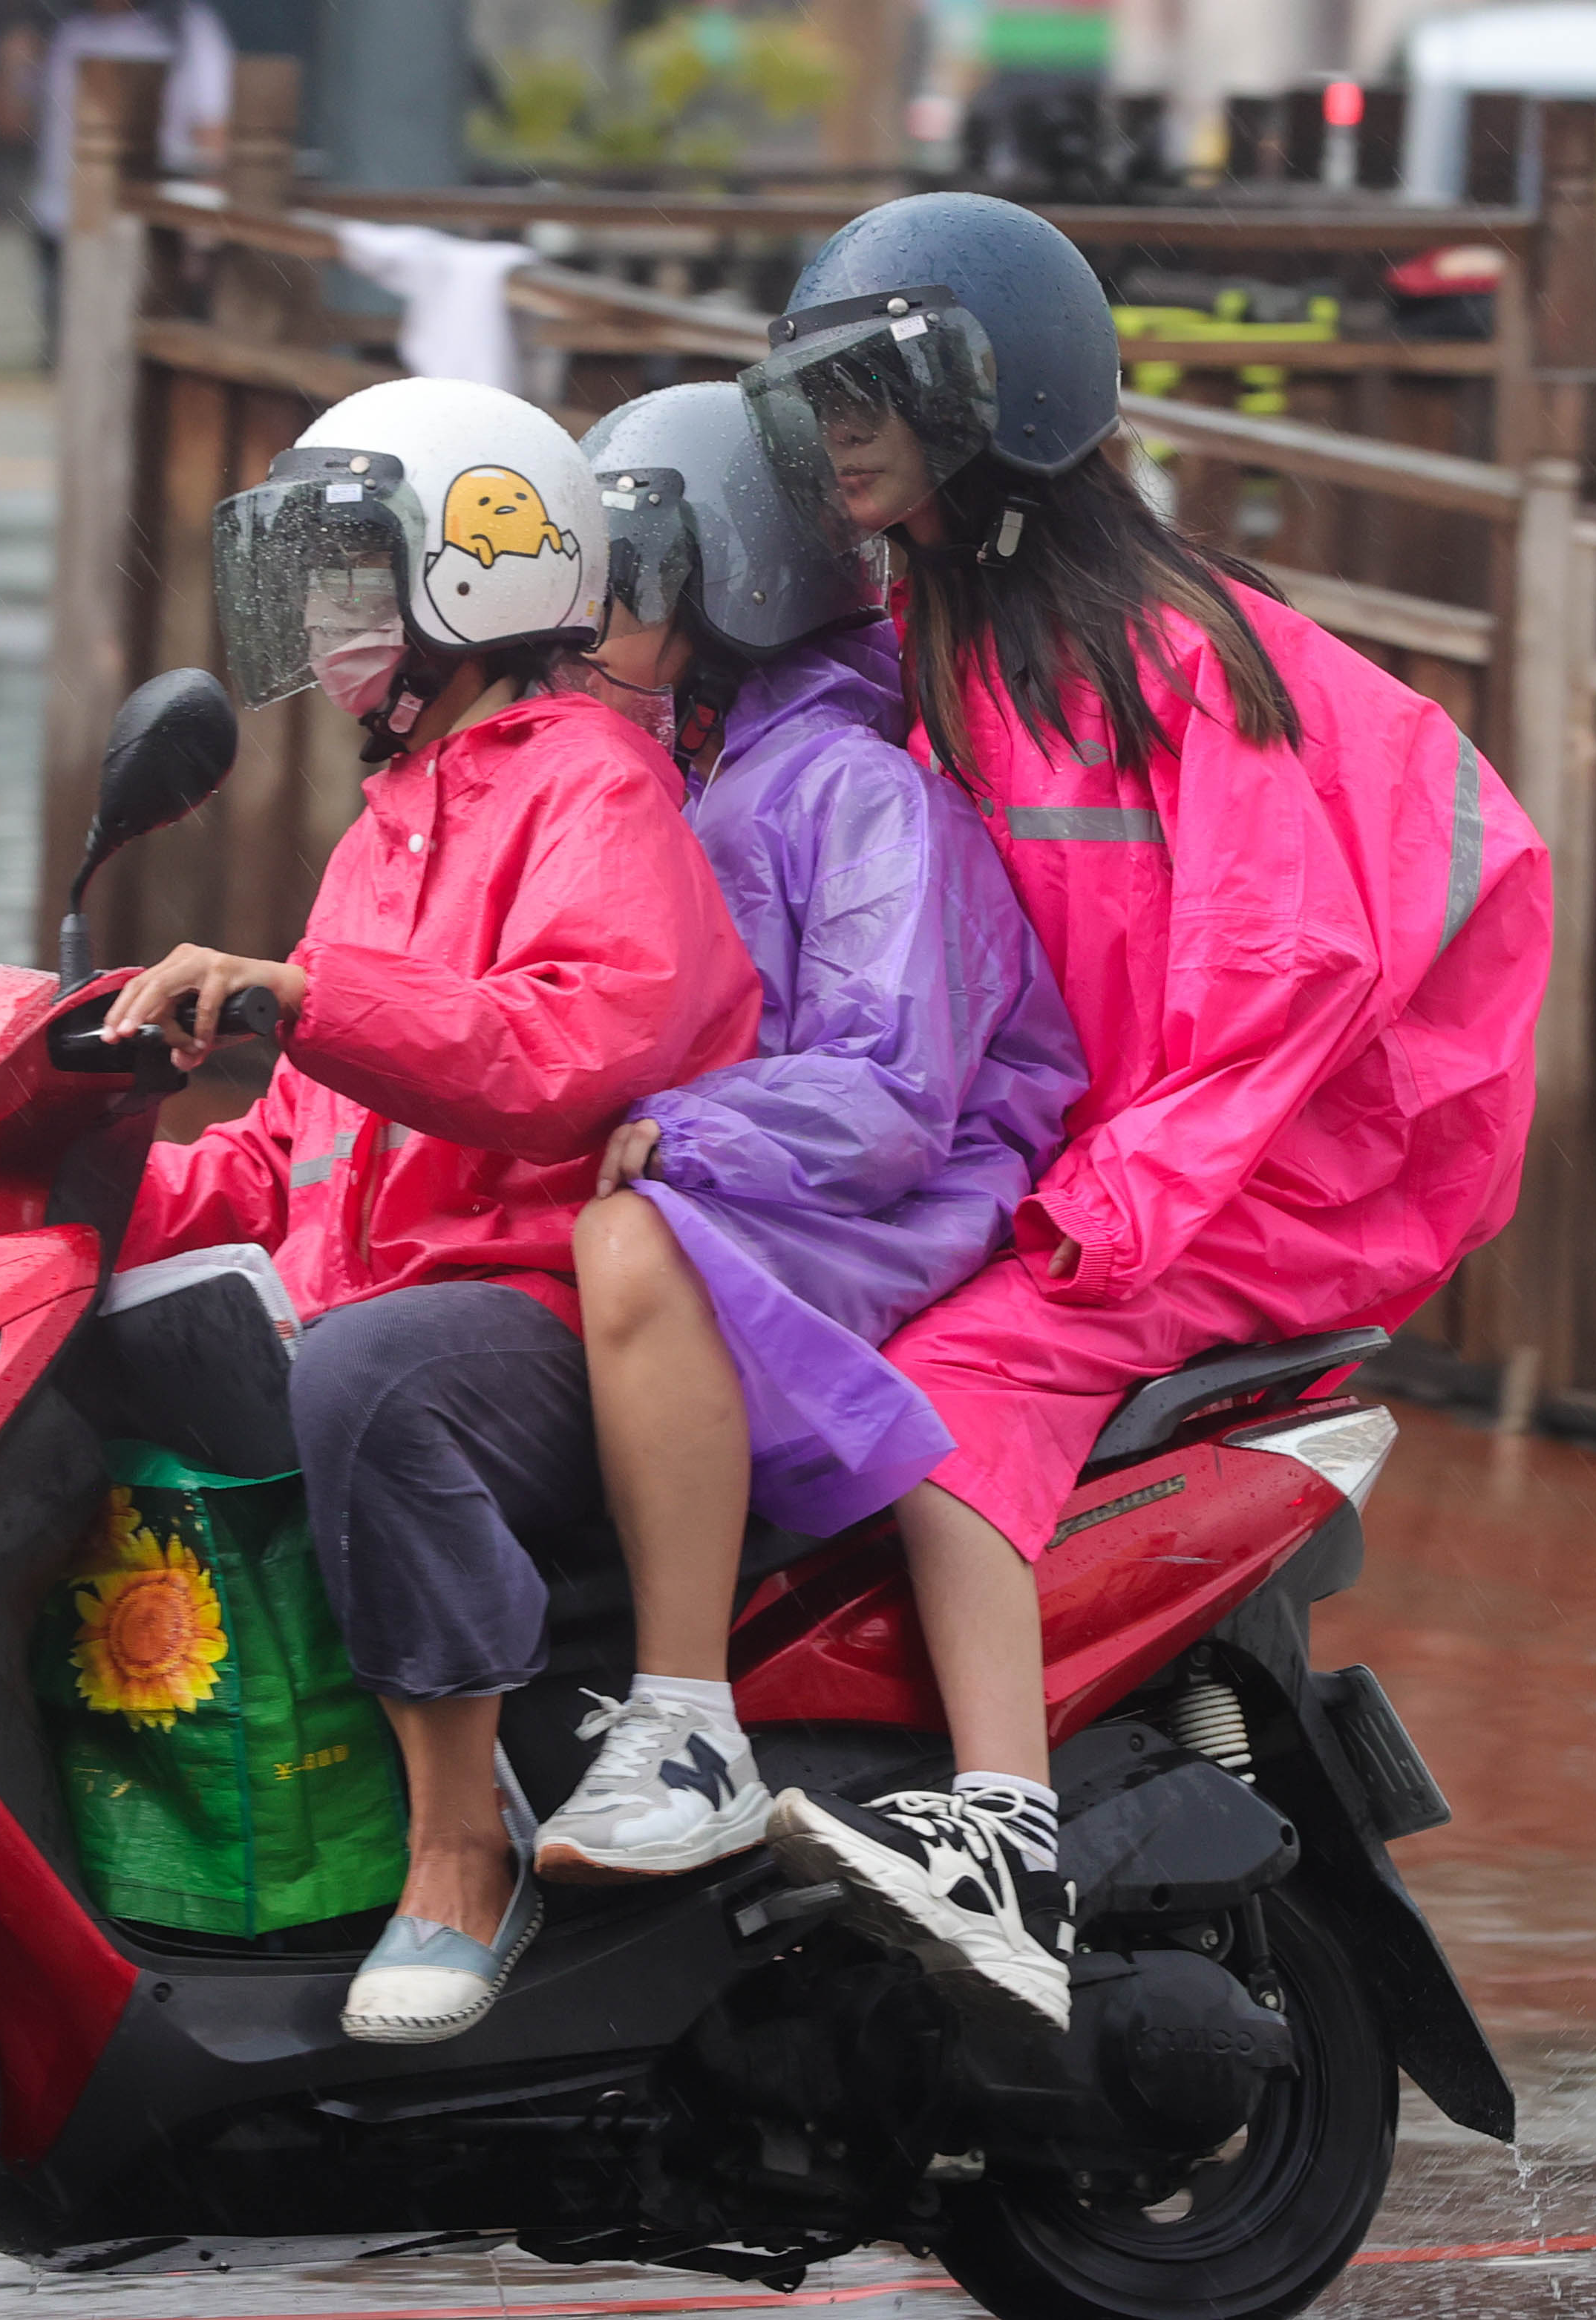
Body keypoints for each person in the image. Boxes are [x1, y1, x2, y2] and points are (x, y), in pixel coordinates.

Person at [733, 193, 1555, 2022]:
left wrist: (1117, 1204)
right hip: (1112, 1143)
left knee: (947, 1381)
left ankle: (1005, 1839)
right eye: (822, 392)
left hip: (1273, 1171)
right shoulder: (930, 642)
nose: (841, 426)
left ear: (999, 400)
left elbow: (1290, 969)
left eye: (878, 386)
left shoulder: (1169, 652)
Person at [99, 377, 759, 2045]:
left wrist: (304, 996)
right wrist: (72, 1188)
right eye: (309, 580)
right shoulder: (382, 831)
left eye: (352, 577)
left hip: (549, 1322)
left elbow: (563, 1054)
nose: (322, 620)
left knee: (367, 1376)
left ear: (474, 584)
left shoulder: (594, 792)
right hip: (385, 1302)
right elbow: (280, 1164)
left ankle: (463, 1848)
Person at [523, 384, 1083, 1920]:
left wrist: (682, 1134)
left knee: (630, 1239)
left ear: (735, 581)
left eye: (626, 578)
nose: (589, 622)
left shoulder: (854, 786)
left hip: (907, 1189)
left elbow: (892, 1087)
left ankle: (684, 1719)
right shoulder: (696, 776)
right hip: (784, 1169)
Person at [18, 0, 232, 362]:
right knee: (72, 359)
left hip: (150, 230)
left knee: (141, 361)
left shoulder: (182, 28)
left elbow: (212, 139)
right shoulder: (60, 27)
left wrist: (203, 234)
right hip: (63, 224)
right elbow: (8, 124)